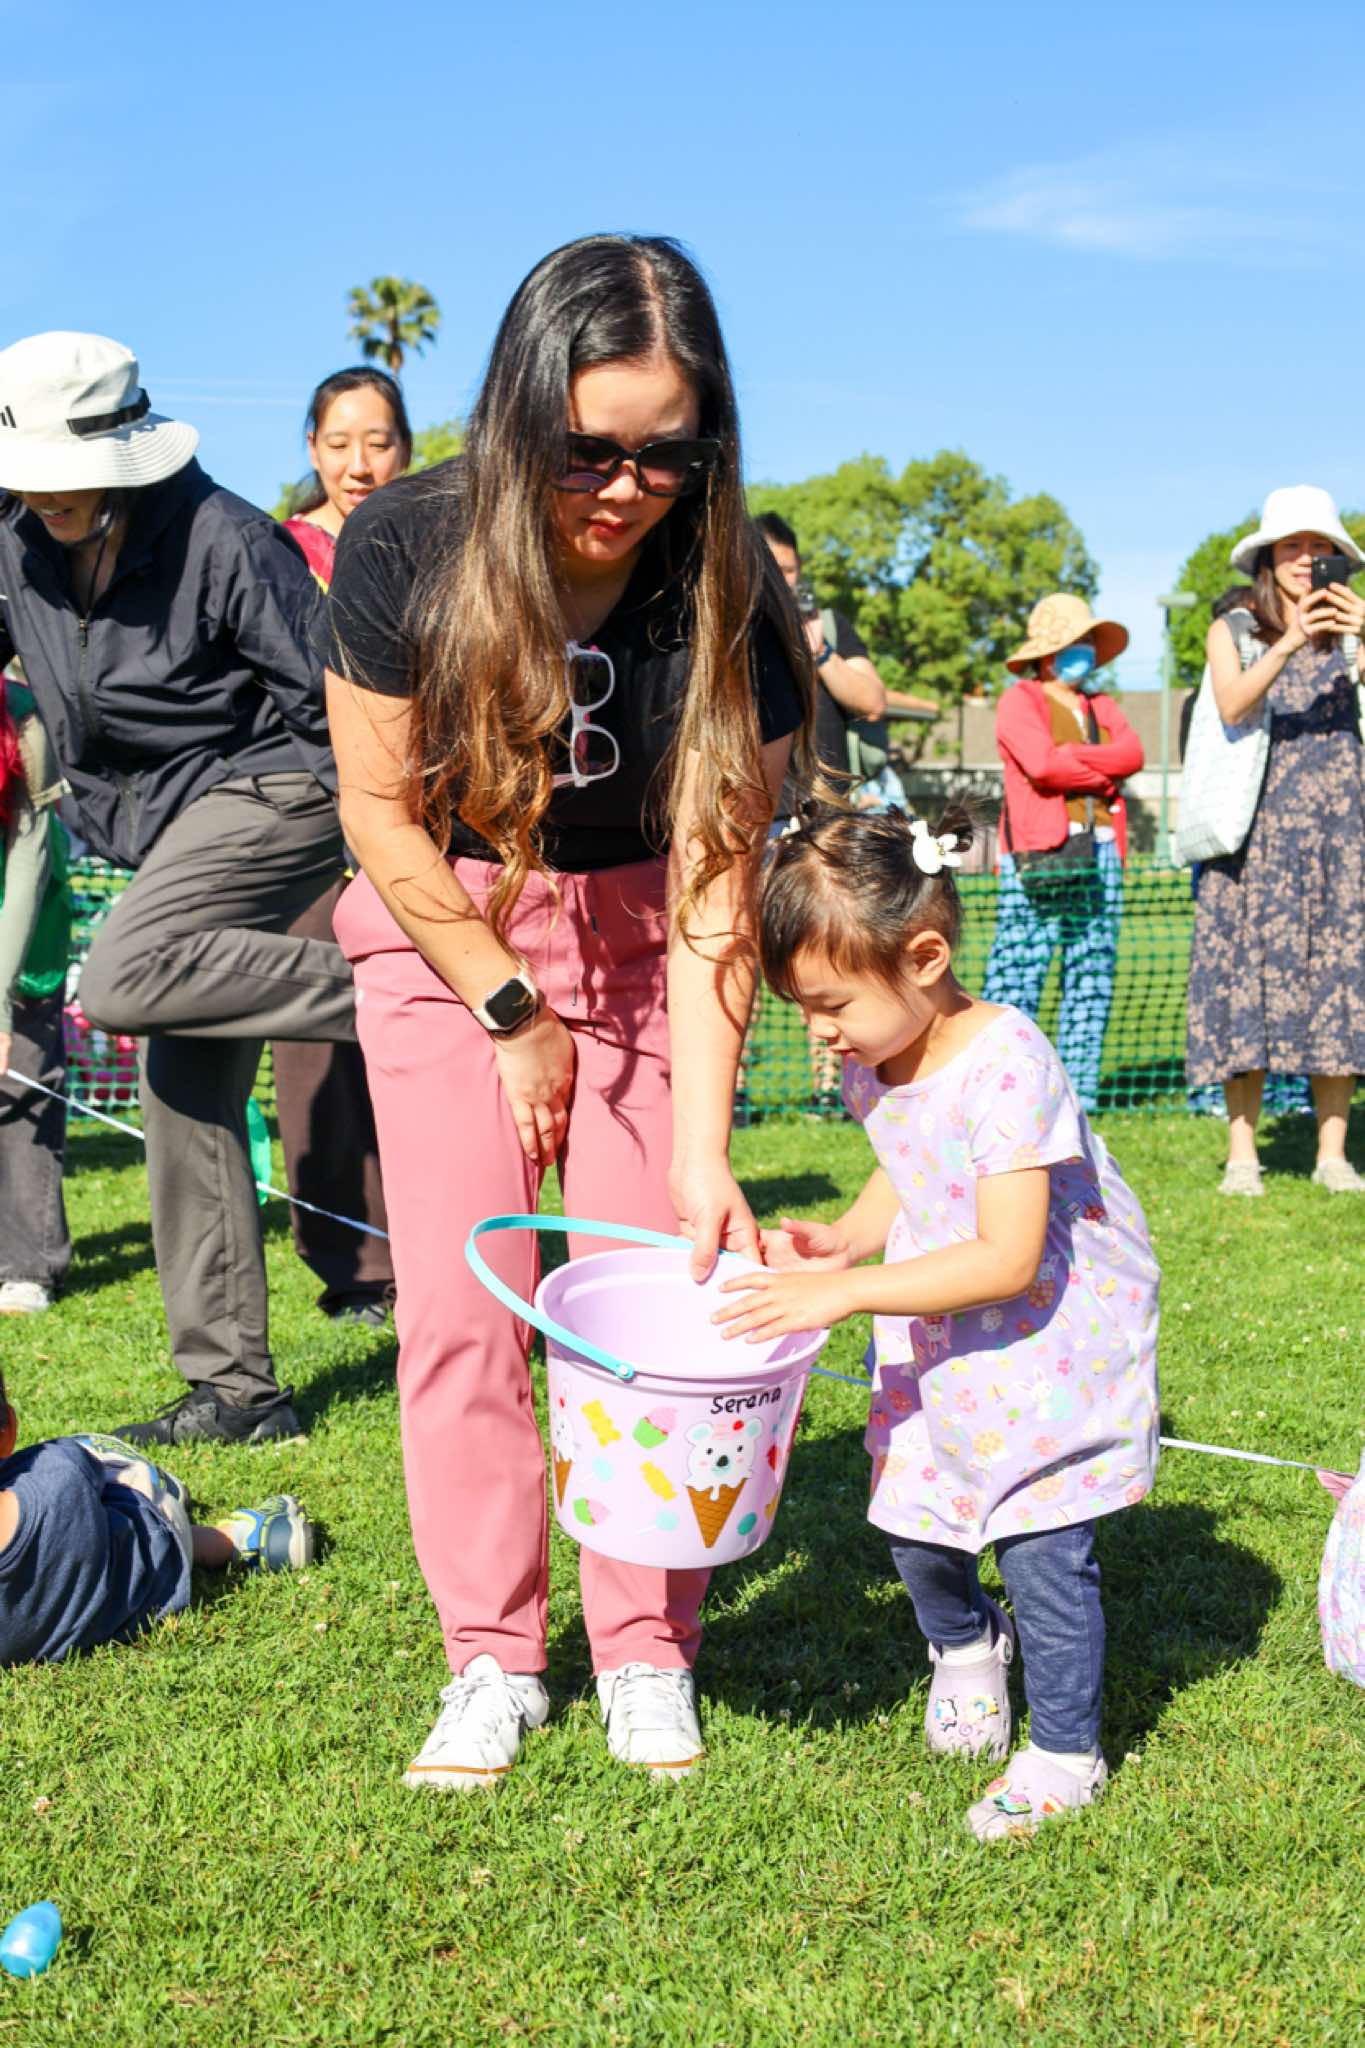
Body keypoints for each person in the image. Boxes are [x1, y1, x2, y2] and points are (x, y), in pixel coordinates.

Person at [324, 233, 809, 1787]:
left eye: (667, 455)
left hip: (653, 938)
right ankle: (493, 1654)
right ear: (519, 411)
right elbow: (378, 814)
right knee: (461, 1312)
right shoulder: (407, 541)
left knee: (644, 1302)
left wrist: (704, 1150)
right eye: (586, 449)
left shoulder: (729, 587)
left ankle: (646, 1647)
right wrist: (509, 1002)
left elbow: (721, 880)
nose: (623, 489)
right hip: (452, 931)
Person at [716, 805, 1160, 1839]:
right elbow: (909, 1159)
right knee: (915, 1513)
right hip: (946, 1320)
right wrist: (848, 1238)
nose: (817, 1031)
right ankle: (966, 1646)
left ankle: (1064, 1751)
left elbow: (1008, 1257)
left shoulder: (1008, 1064)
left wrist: (844, 1295)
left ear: (924, 957)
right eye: (801, 1008)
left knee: (1040, 1542)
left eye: (829, 1004)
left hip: (1046, 1335)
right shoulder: (878, 1054)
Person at [0, 331, 358, 1445]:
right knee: (181, 1082)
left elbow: (338, 706)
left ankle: (410, 990)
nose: (45, 496)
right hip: (159, 826)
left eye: (65, 475)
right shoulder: (14, 543)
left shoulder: (227, 537)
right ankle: (240, 1394)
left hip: (284, 786)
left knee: (124, 974)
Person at [269, 367, 411, 1325]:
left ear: (406, 448)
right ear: (313, 450)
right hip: (310, 827)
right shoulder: (280, 553)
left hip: (418, 821)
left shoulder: (432, 537)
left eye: (378, 441)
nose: (359, 463)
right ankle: (353, 1261)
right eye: (339, 443)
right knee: (317, 1046)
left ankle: (446, 1238)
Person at [1187, 485, 1365, 1195]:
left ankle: (1331, 1154)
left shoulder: (1354, 630)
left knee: (1339, 985)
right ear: (1267, 558)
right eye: (1292, 545)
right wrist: (1289, 639)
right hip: (1253, 837)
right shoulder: (1234, 626)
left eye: (1320, 547)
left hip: (1342, 839)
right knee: (1244, 986)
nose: (1305, 558)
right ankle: (1242, 1156)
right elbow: (1232, 704)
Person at [0, 1362, 313, 1666]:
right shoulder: (55, 1469)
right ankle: (234, 1538)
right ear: (10, 1429)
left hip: (51, 1629)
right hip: (142, 1581)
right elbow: (77, 1471)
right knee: (92, 1451)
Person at [981, 594, 1143, 1114]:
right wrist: (1100, 774)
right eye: (1078, 641)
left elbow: (1133, 754)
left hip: (1102, 851)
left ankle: (1079, 1091)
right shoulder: (1019, 701)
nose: (1086, 650)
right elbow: (1041, 765)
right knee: (1019, 971)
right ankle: (1006, 1084)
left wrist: (1072, 755)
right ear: (1048, 652)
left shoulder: (1102, 706)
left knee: (1092, 968)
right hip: (1038, 854)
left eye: (1090, 641)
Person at [756, 511, 889, 1110]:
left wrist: (822, 652)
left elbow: (872, 700)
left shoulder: (829, 627)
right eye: (770, 569)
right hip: (756, 817)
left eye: (790, 570)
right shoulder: (729, 624)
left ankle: (829, 1088)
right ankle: (737, 1091)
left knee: (828, 951)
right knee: (743, 951)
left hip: (825, 818)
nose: (782, 581)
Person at [0, 671, 72, 1312]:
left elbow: (29, 861)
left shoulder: (22, 717)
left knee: (20, 1083)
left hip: (21, 940)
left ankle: (27, 1264)